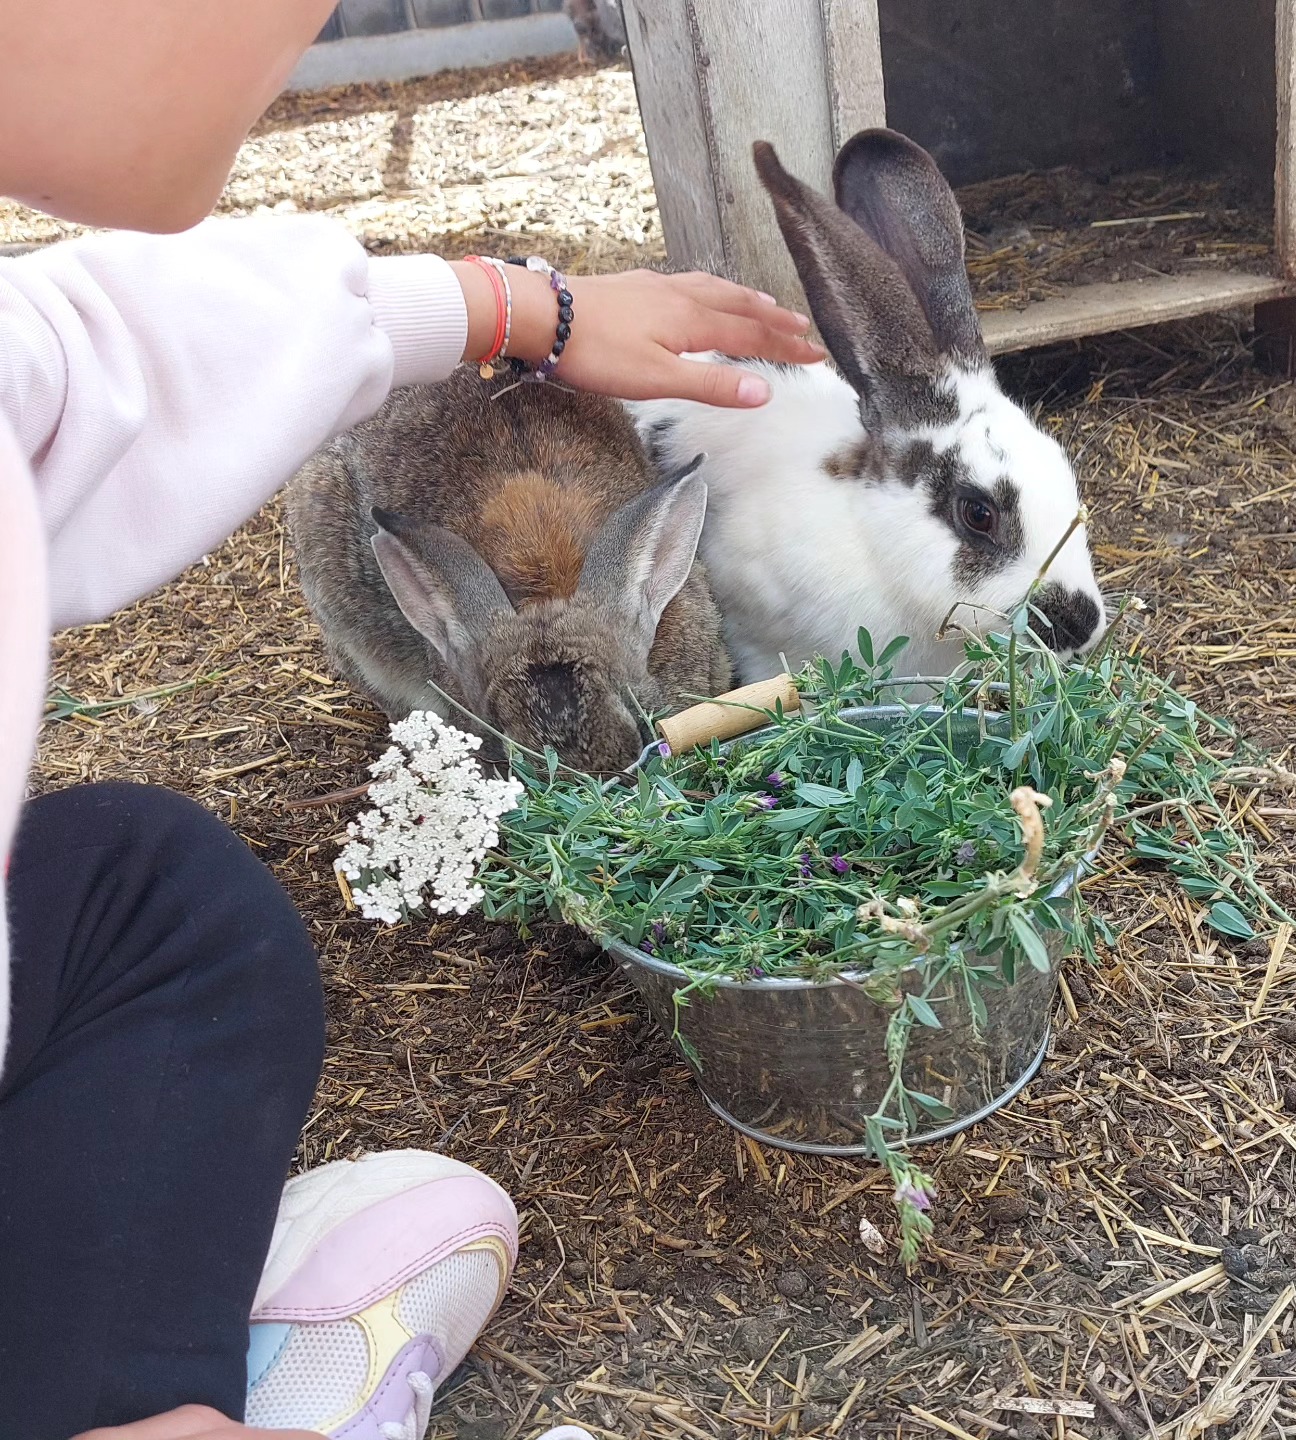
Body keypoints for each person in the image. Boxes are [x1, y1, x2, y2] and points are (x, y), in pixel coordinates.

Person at [0, 4, 825, 1438]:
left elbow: (86, 349)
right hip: (453, 618)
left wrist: (527, 311)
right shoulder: (419, 607)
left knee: (162, 885)